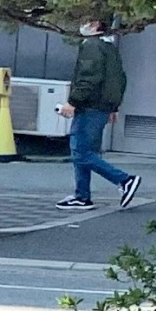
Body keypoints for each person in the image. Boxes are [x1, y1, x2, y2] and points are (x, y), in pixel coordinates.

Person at [62, 19, 140, 210]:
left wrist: (73, 101)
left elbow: (88, 78)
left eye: (86, 21)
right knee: (85, 151)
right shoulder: (109, 47)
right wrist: (113, 107)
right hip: (103, 106)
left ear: (96, 25)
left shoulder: (91, 46)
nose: (81, 25)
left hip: (90, 106)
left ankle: (124, 180)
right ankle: (82, 196)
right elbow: (119, 79)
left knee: (80, 152)